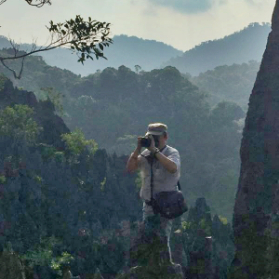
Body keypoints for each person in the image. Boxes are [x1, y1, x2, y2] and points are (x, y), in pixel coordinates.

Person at [126, 123, 181, 265]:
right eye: (151, 138)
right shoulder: (144, 155)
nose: (154, 141)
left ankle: (166, 268)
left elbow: (173, 168)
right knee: (147, 239)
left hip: (166, 206)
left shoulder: (171, 152)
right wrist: (138, 148)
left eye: (157, 138)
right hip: (149, 206)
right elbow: (130, 168)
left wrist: (155, 151)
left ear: (165, 137)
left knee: (163, 238)